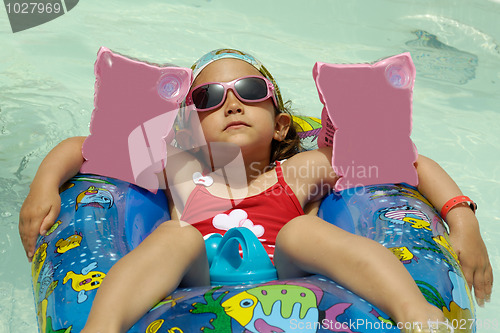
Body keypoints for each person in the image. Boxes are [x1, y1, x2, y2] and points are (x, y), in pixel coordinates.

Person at [19, 49, 492, 332]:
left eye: (249, 90)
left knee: (300, 233)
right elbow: (84, 150)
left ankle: (413, 311)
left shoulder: (301, 170)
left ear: (280, 121)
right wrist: (43, 185)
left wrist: (461, 216)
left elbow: (407, 164)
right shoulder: (179, 168)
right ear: (187, 128)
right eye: (207, 99)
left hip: (290, 276)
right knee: (178, 236)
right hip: (197, 284)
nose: (230, 103)